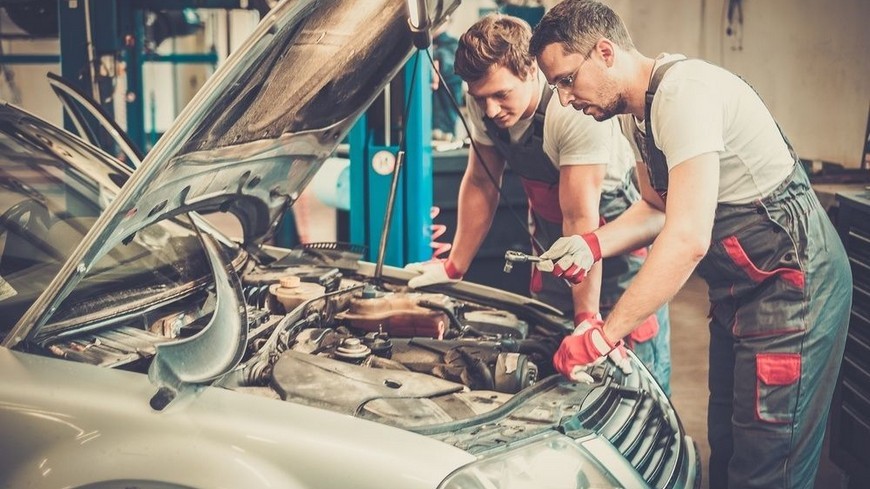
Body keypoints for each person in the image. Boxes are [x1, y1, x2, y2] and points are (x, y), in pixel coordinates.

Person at [528, 1, 852, 487]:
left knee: (767, 468)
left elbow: (687, 238)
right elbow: (658, 209)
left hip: (793, 293)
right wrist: (592, 244)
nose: (565, 98)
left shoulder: (686, 94)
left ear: (605, 52)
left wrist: (602, 334)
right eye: (556, 86)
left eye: (568, 80)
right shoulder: (633, 116)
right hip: (739, 293)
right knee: (725, 443)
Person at [404, 13, 672, 394]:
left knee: (629, 376)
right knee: (550, 359)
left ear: (530, 70)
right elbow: (482, 181)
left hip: (609, 244)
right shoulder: (483, 98)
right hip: (552, 243)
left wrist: (587, 318)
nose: (491, 110)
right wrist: (454, 266)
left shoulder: (572, 114)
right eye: (482, 99)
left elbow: (581, 219)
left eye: (502, 95)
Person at [431, 24, 464, 142]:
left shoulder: (453, 47)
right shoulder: (427, 46)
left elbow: (448, 65)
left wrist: (434, 56)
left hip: (444, 129)